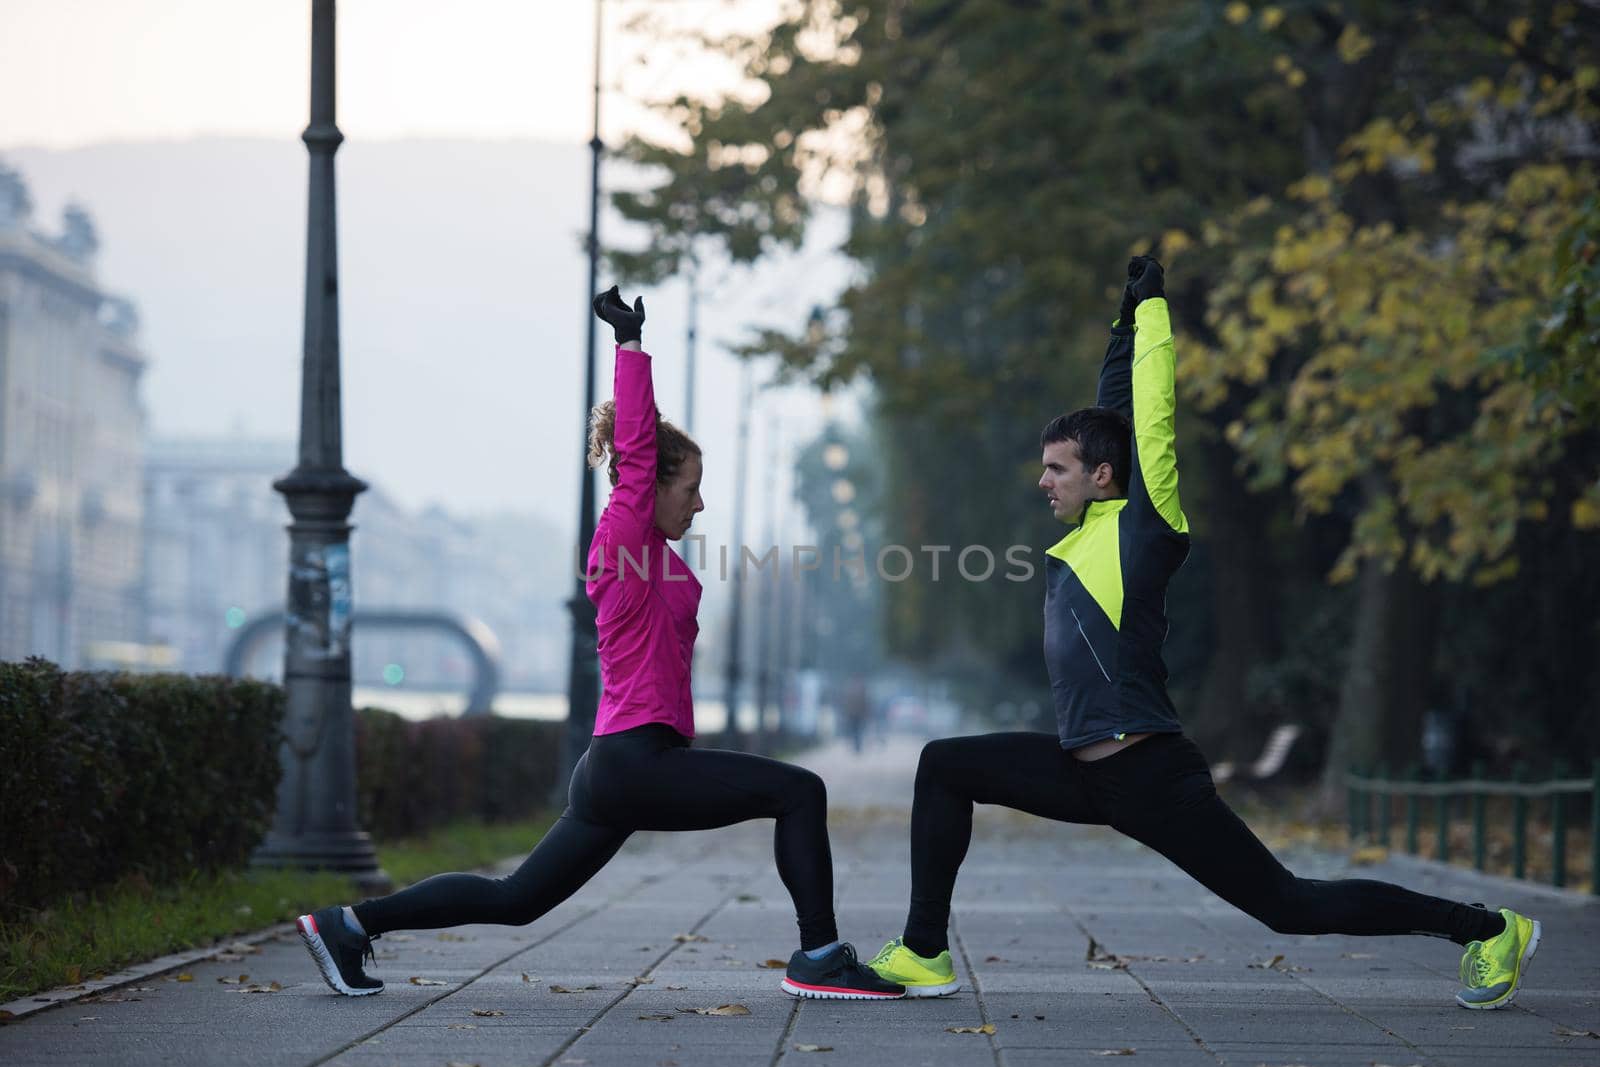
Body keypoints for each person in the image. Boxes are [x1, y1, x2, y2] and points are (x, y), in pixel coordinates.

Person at [867, 257, 1540, 1011]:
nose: (1043, 481)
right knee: (946, 765)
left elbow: (1145, 417)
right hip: (1082, 768)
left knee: (1290, 904)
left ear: (1104, 476)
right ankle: (924, 951)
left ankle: (1488, 927)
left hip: (1150, 774)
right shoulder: (1088, 533)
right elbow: (1113, 409)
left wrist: (1152, 310)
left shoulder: (1142, 528)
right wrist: (1120, 326)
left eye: (1057, 468)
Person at [297, 287, 903, 1002]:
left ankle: (349, 924)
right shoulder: (622, 537)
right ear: (646, 487)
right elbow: (638, 454)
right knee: (800, 790)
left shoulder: (655, 558)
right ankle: (820, 955)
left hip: (623, 763)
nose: (699, 504)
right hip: (632, 759)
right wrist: (630, 348)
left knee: (516, 898)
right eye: (692, 488)